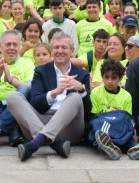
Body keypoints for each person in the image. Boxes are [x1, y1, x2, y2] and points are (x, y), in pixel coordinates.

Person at [6, 32, 90, 161]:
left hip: (69, 128)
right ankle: (53, 143)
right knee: (13, 96)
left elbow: (88, 112)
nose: (59, 51)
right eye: (56, 48)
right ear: (52, 51)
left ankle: (37, 142)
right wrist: (54, 92)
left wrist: (82, 89)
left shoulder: (82, 74)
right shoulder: (41, 71)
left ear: (72, 51)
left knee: (75, 97)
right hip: (40, 122)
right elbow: (35, 102)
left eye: (64, 47)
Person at [89, 58, 139, 160]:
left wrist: (118, 115)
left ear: (120, 78)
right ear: (102, 77)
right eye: (106, 77)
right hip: (102, 126)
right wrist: (110, 115)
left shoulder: (126, 96)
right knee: (98, 131)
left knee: (124, 127)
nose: (109, 81)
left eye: (114, 78)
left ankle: (132, 148)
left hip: (119, 127)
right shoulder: (95, 93)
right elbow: (93, 117)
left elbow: (127, 119)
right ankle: (124, 146)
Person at [0, 29, 33, 148]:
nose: (11, 48)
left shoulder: (27, 63)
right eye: (8, 44)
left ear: (19, 47)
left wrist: (11, 80)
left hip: (16, 107)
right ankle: (12, 128)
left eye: (15, 45)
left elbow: (31, 88)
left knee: (25, 89)